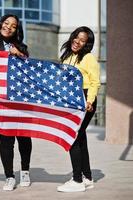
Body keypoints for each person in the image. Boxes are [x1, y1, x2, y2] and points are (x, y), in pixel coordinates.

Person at [0, 14, 32, 191]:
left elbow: (29, 70)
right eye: (6, 23)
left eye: (13, 26)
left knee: (24, 137)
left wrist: (18, 54)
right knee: (6, 140)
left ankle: (25, 171)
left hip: (20, 100)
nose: (9, 27)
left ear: (16, 30)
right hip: (2, 101)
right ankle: (9, 176)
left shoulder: (22, 48)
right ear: (0, 25)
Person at [57, 26, 100, 192]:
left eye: (83, 40)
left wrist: (89, 101)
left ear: (87, 44)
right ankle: (87, 177)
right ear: (73, 36)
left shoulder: (88, 58)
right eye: (77, 37)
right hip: (72, 99)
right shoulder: (67, 55)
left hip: (85, 99)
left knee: (73, 136)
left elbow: (95, 82)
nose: (78, 42)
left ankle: (77, 180)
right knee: (80, 138)